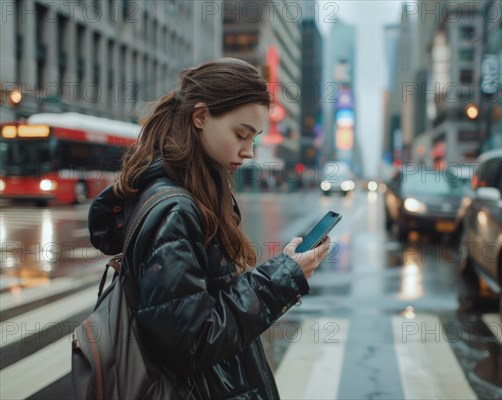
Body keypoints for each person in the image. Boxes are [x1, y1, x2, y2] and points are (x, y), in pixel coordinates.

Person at [88, 58, 331, 399]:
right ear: (201, 117)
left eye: (255, 138)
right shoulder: (176, 210)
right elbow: (192, 339)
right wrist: (282, 278)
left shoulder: (191, 194)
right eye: (240, 134)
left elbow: (200, 310)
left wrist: (286, 269)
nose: (248, 151)